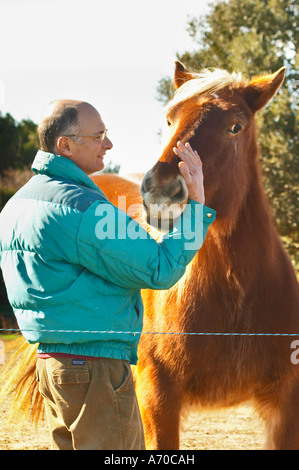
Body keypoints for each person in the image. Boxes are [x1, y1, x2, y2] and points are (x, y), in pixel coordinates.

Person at [0, 100, 216, 450]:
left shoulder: (17, 206)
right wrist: (196, 207)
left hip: (51, 367)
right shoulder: (83, 208)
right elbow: (160, 267)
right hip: (96, 372)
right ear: (65, 145)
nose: (109, 144)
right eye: (98, 135)